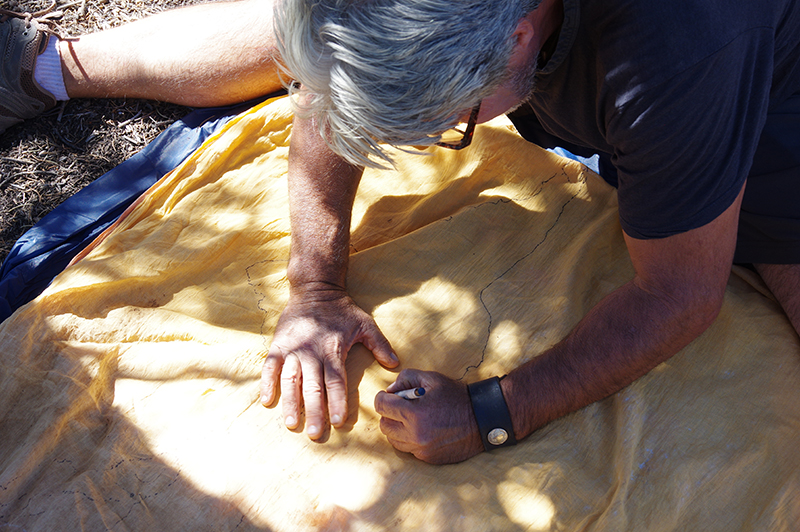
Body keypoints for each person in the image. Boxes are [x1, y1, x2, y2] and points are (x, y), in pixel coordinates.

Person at [3, 0, 800, 465]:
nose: (421, 146)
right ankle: (44, 67)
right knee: (335, 48)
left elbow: (680, 293)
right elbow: (339, 77)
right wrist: (313, 286)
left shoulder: (678, 55)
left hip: (765, 100)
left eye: (439, 125)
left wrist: (497, 411)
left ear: (522, 34)